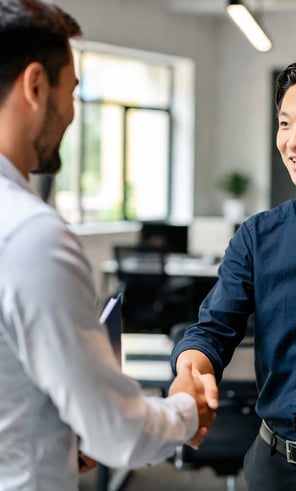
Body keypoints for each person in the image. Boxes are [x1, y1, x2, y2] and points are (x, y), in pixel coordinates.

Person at [0, 1, 216, 490]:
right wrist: (189, 410)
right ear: (36, 85)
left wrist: (55, 430)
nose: (74, 112)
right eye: (72, 91)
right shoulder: (32, 236)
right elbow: (116, 433)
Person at [171, 55, 296, 490]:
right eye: (285, 124)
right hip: (270, 467)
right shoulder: (256, 237)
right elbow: (212, 329)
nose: (293, 141)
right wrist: (191, 373)